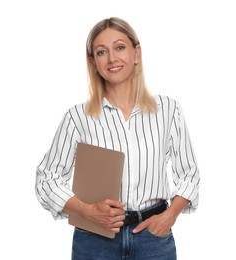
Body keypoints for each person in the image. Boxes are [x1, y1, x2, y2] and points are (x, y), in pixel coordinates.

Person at [35, 17, 200, 260]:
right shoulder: (77, 117)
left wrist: (170, 215)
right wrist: (87, 211)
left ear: (137, 53)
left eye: (120, 47)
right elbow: (46, 179)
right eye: (102, 52)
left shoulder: (168, 110)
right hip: (95, 241)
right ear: (93, 62)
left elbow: (189, 173)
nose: (112, 58)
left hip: (153, 238)